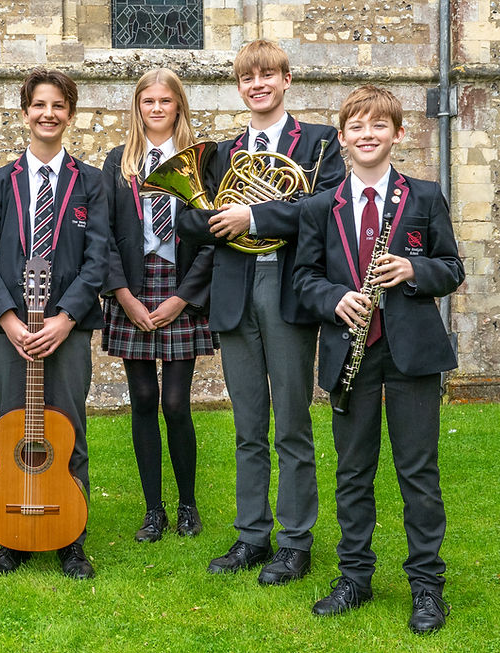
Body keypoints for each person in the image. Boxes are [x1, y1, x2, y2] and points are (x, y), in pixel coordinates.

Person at [293, 85, 463, 634]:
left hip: (411, 352)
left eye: (379, 127)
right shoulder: (322, 206)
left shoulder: (425, 196)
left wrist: (416, 272)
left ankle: (427, 587)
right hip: (351, 352)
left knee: (418, 471)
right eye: (357, 128)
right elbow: (303, 280)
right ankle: (355, 577)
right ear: (342, 139)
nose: (368, 136)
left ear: (397, 134)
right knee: (352, 470)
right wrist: (333, 298)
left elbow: (452, 267)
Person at [176, 39, 346, 584]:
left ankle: (296, 541)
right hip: (234, 288)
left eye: (268, 75)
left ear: (287, 79)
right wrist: (221, 221)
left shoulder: (319, 143)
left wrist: (256, 217)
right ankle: (252, 534)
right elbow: (185, 220)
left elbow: (324, 206)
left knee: (291, 423)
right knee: (248, 425)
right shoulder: (222, 152)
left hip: (287, 285)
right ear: (240, 86)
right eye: (249, 78)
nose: (258, 85)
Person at [0, 68, 109, 579]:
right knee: (15, 426)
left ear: (69, 114)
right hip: (12, 329)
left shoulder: (90, 181)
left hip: (66, 329)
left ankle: (71, 535)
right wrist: (7, 317)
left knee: (69, 426)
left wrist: (66, 318)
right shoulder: (0, 181)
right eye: (39, 105)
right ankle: (12, 537)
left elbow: (98, 258)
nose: (48, 114)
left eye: (58, 105)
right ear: (25, 111)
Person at [101, 68, 215, 543]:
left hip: (180, 283)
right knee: (144, 399)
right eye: (147, 101)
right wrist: (123, 295)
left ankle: (187, 505)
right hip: (134, 283)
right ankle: (154, 509)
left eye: (165, 101)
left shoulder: (204, 160)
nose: (156, 109)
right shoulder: (117, 162)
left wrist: (184, 297)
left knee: (174, 403)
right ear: (138, 107)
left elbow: (214, 234)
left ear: (178, 106)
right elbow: (101, 234)